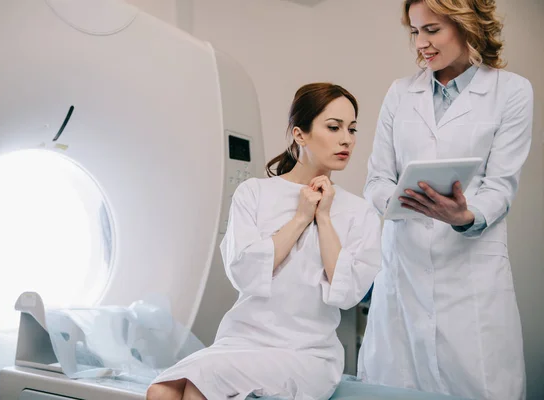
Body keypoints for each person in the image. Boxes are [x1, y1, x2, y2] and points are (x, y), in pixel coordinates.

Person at [146, 83, 382, 400]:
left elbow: (347, 292)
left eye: (352, 129)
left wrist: (323, 218)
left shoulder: (359, 211)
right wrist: (301, 217)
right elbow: (244, 273)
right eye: (333, 127)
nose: (346, 139)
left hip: (306, 352)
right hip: (243, 339)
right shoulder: (254, 193)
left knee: (200, 387)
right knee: (160, 391)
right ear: (300, 134)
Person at [357, 1, 533, 399]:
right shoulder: (400, 93)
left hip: (471, 274)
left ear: (465, 25)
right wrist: (399, 199)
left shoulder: (511, 92)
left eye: (432, 30)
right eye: (415, 32)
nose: (421, 43)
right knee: (393, 385)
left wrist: (465, 216)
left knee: (480, 385)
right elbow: (377, 179)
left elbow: (501, 184)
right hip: (403, 267)